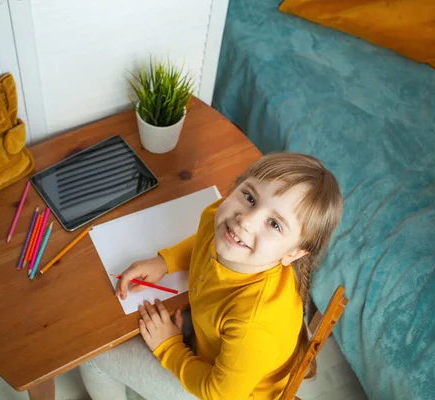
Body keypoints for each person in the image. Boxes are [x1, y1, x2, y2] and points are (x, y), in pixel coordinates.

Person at [80, 153, 344, 400]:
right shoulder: (224, 220)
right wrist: (165, 261)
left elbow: (219, 393)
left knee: (94, 355)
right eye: (250, 197)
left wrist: (169, 347)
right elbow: (206, 239)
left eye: (274, 224)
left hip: (222, 391)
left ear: (294, 253)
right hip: (211, 343)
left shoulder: (255, 324)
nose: (246, 221)